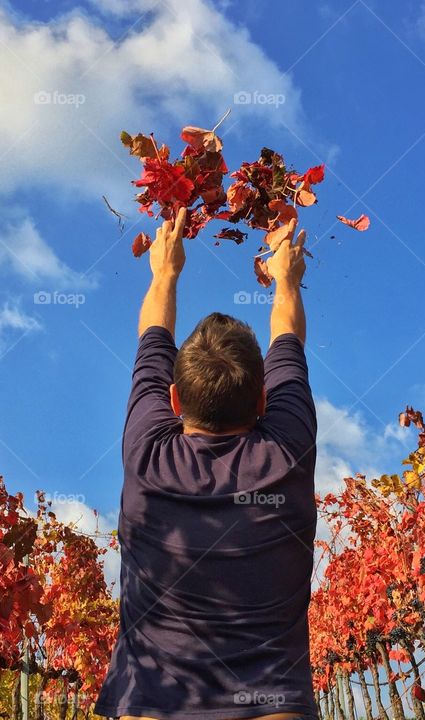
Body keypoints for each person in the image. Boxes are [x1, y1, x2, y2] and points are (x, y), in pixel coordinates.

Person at [94, 207, 319, 720]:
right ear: (264, 402)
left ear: (173, 401)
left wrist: (164, 272)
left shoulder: (147, 452)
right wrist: (284, 278)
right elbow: (288, 335)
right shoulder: (287, 451)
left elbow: (153, 335)